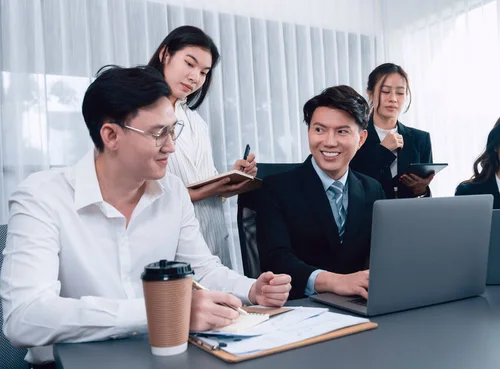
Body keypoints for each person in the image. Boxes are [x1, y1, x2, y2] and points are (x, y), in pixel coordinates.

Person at [0, 65, 291, 367]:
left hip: (159, 357)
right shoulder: (41, 196)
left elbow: (202, 270)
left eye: (173, 129)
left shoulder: (172, 191)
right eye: (158, 133)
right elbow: (25, 318)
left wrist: (252, 289)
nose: (171, 146)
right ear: (111, 135)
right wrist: (166, 312)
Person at [256, 85, 386, 300]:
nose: (329, 141)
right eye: (319, 129)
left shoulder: (372, 189)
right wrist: (337, 282)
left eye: (342, 131)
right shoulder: (276, 188)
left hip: (360, 305)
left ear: (361, 139)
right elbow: (276, 259)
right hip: (301, 307)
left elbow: (382, 254)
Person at [148, 25, 257, 269]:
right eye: (189, 63)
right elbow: (143, 194)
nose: (195, 77)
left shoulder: (197, 122)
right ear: (165, 54)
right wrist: (206, 191)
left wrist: (230, 180)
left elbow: (204, 182)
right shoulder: (142, 114)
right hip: (170, 240)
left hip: (213, 236)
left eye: (204, 72)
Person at [350, 63, 434, 199]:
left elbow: (424, 196)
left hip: (409, 216)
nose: (393, 99)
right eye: (385, 91)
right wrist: (383, 151)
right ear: (370, 93)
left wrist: (422, 190)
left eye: (400, 93)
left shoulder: (421, 139)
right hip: (369, 216)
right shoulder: (356, 136)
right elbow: (353, 183)